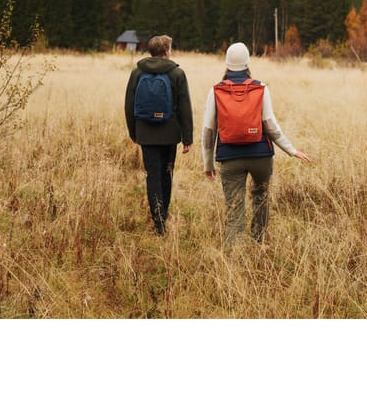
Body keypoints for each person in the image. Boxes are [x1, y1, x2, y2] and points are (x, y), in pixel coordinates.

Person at [202, 42, 310, 246]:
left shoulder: (215, 91)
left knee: (235, 209)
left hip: (230, 158)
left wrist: (208, 164)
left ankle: (232, 259)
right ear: (248, 63)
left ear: (226, 64)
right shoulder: (260, 89)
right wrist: (291, 150)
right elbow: (270, 126)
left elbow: (208, 132)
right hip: (261, 156)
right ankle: (257, 245)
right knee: (261, 199)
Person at [125, 35, 193, 235]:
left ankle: (158, 220)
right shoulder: (177, 73)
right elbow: (184, 107)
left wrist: (134, 132)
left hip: (146, 133)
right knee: (166, 174)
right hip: (170, 134)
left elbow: (129, 105)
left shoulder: (137, 72)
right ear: (166, 52)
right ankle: (164, 212)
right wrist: (187, 138)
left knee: (152, 175)